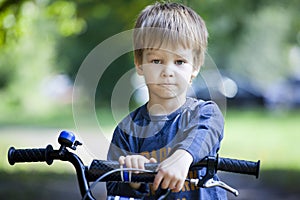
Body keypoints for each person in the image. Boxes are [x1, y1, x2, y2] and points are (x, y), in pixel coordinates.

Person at [106, 2, 227, 199]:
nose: (168, 72)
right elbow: (112, 188)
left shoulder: (205, 114)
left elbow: (204, 134)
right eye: (156, 61)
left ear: (194, 68)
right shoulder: (126, 130)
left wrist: (183, 157)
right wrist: (134, 181)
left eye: (179, 62)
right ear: (139, 64)